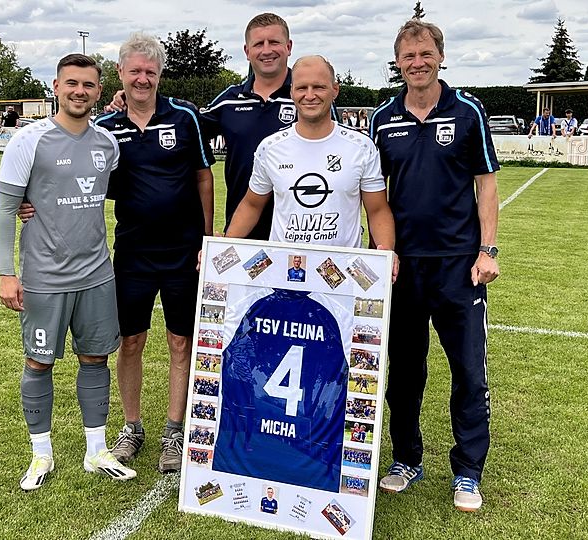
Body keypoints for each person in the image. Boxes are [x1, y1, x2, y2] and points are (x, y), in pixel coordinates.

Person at [20, 35, 215, 474]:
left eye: (150, 71)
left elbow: (203, 177)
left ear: (159, 74)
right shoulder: (107, 128)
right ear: (121, 74)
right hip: (132, 252)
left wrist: (207, 239)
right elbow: (71, 177)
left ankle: (174, 431)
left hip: (184, 251)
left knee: (181, 341)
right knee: (130, 341)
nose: (143, 78)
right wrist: (28, 201)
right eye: (135, 71)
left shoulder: (185, 117)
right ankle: (132, 427)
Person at [370, 19, 499, 513]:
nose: (417, 63)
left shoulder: (467, 111)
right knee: (404, 372)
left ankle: (468, 470)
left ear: (440, 57)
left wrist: (488, 250)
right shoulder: (383, 118)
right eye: (408, 56)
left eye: (425, 54)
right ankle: (406, 458)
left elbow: (486, 183)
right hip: (403, 269)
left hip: (458, 266)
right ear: (397, 63)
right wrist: (382, 251)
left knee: (468, 370)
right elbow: (374, 194)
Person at [0, 54, 136, 492]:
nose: (79, 91)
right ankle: (42, 453)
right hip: (44, 277)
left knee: (95, 358)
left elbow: (98, 191)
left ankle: (97, 450)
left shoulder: (107, 144)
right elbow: (4, 209)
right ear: (56, 87)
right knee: (38, 362)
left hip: (96, 274)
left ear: (99, 91)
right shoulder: (28, 140)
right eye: (71, 83)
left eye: (88, 85)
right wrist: (6, 273)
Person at [224, 55, 397, 259]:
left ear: (335, 90)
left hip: (341, 273)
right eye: (301, 88)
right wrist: (222, 248)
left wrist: (387, 253)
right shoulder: (270, 148)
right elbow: (251, 205)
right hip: (285, 270)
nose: (310, 95)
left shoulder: (361, 146)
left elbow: (377, 210)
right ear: (292, 92)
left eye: (319, 87)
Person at [199, 13, 302, 240]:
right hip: (242, 230)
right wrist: (131, 103)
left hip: (298, 232)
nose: (266, 50)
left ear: (288, 46)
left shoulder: (307, 96)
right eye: (258, 44)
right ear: (247, 51)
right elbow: (185, 127)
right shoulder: (229, 100)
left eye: (274, 42)